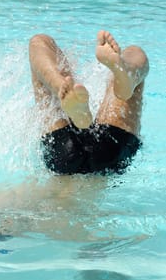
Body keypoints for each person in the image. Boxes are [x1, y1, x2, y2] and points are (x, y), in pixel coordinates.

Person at [29, 30, 149, 174]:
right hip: (115, 146)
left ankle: (61, 87)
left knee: (39, 42)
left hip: (61, 150)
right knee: (134, 51)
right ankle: (125, 73)